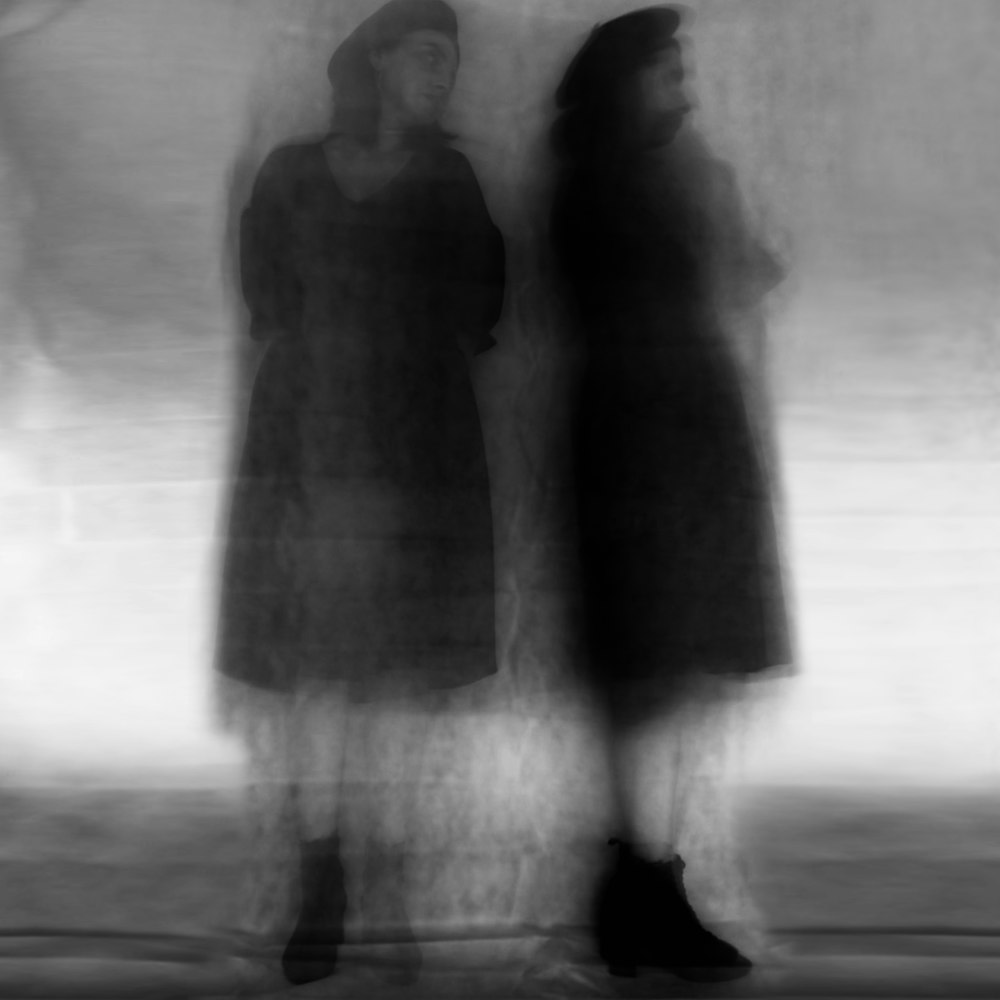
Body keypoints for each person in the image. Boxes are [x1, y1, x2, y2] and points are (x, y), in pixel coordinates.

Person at [213, 0, 505, 985]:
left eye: (450, 60)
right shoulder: (291, 171)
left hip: (418, 466)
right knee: (314, 680)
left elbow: (484, 306)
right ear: (376, 59)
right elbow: (263, 296)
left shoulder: (451, 178)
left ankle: (395, 896)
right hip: (307, 458)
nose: (441, 75)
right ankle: (320, 886)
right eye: (426, 54)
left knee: (399, 685)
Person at [548, 6, 792, 982]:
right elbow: (717, 276)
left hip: (683, 436)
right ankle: (639, 889)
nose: (682, 90)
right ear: (622, 80)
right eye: (666, 72)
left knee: (676, 669)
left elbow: (754, 270)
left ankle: (647, 886)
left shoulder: (663, 172)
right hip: (635, 442)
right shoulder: (601, 181)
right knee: (644, 670)